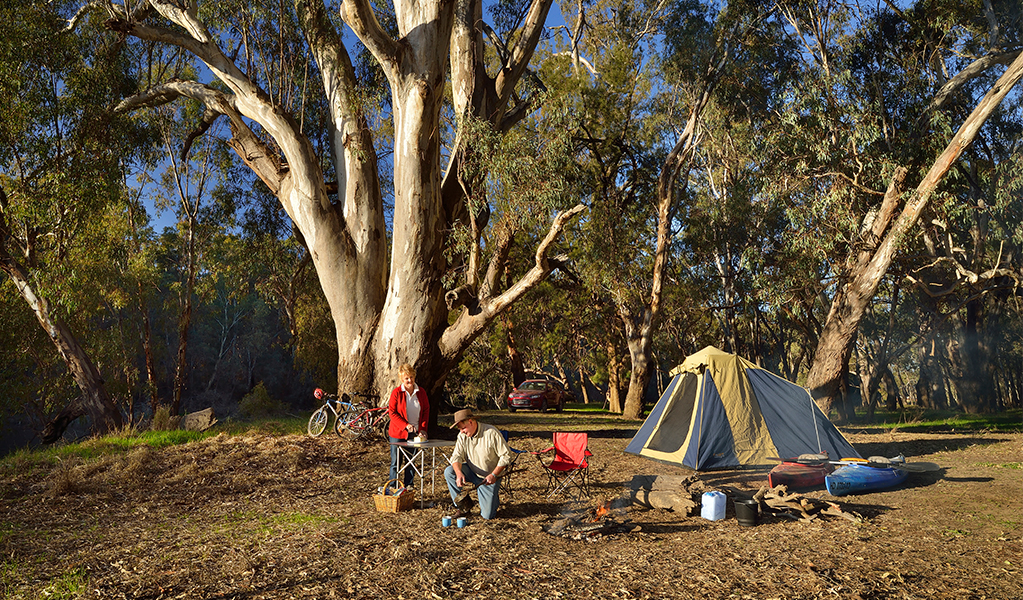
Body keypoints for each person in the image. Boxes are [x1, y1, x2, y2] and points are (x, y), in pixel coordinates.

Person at [444, 408, 514, 520]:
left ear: (470, 422)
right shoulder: (462, 436)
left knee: (487, 516)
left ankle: (493, 500)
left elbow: (506, 456)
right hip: (472, 471)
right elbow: (456, 456)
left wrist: (494, 475)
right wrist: (458, 473)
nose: (461, 431)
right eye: (460, 429)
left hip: (489, 477)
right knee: (449, 471)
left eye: (463, 428)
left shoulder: (491, 432)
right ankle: (462, 508)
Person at [387, 363, 430, 489]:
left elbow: (426, 411)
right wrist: (405, 425)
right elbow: (392, 412)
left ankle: (409, 487)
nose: (409, 380)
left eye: (411, 377)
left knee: (411, 461)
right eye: (406, 378)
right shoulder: (396, 393)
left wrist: (423, 429)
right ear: (402, 379)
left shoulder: (421, 392)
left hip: (415, 433)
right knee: (396, 462)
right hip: (397, 433)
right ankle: (393, 487)